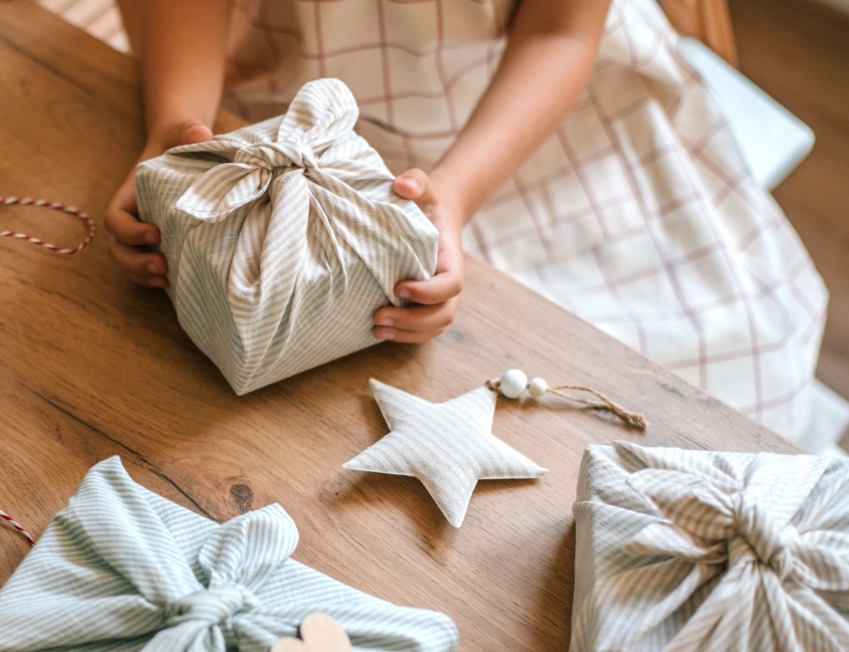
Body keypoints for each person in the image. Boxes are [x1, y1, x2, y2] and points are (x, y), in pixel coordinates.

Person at [104, 0, 829, 446]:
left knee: (717, 376)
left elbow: (560, 29)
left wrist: (452, 192)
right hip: (291, 93)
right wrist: (174, 128)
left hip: (539, 123)